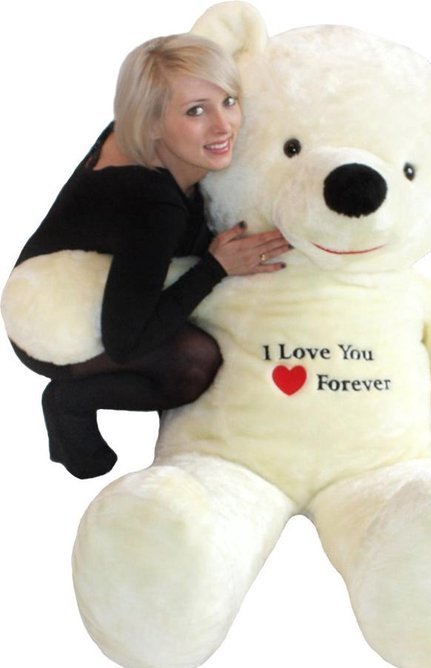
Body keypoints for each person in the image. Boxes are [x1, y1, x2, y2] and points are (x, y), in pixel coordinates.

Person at [7, 33, 290, 480]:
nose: (224, 126)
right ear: (152, 122)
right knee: (195, 362)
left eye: (229, 101)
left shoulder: (136, 135)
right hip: (50, 323)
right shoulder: (153, 203)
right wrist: (216, 267)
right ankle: (70, 403)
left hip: (74, 274)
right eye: (196, 111)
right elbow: (127, 343)